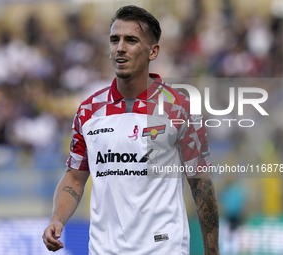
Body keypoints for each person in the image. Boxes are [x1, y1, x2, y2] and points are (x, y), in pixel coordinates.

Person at [42, 5, 219, 255]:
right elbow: (74, 177)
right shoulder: (89, 111)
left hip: (163, 248)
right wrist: (57, 218)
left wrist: (212, 251)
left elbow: (200, 184)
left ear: (153, 51)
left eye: (131, 40)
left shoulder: (180, 109)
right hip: (104, 250)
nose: (120, 47)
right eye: (115, 40)